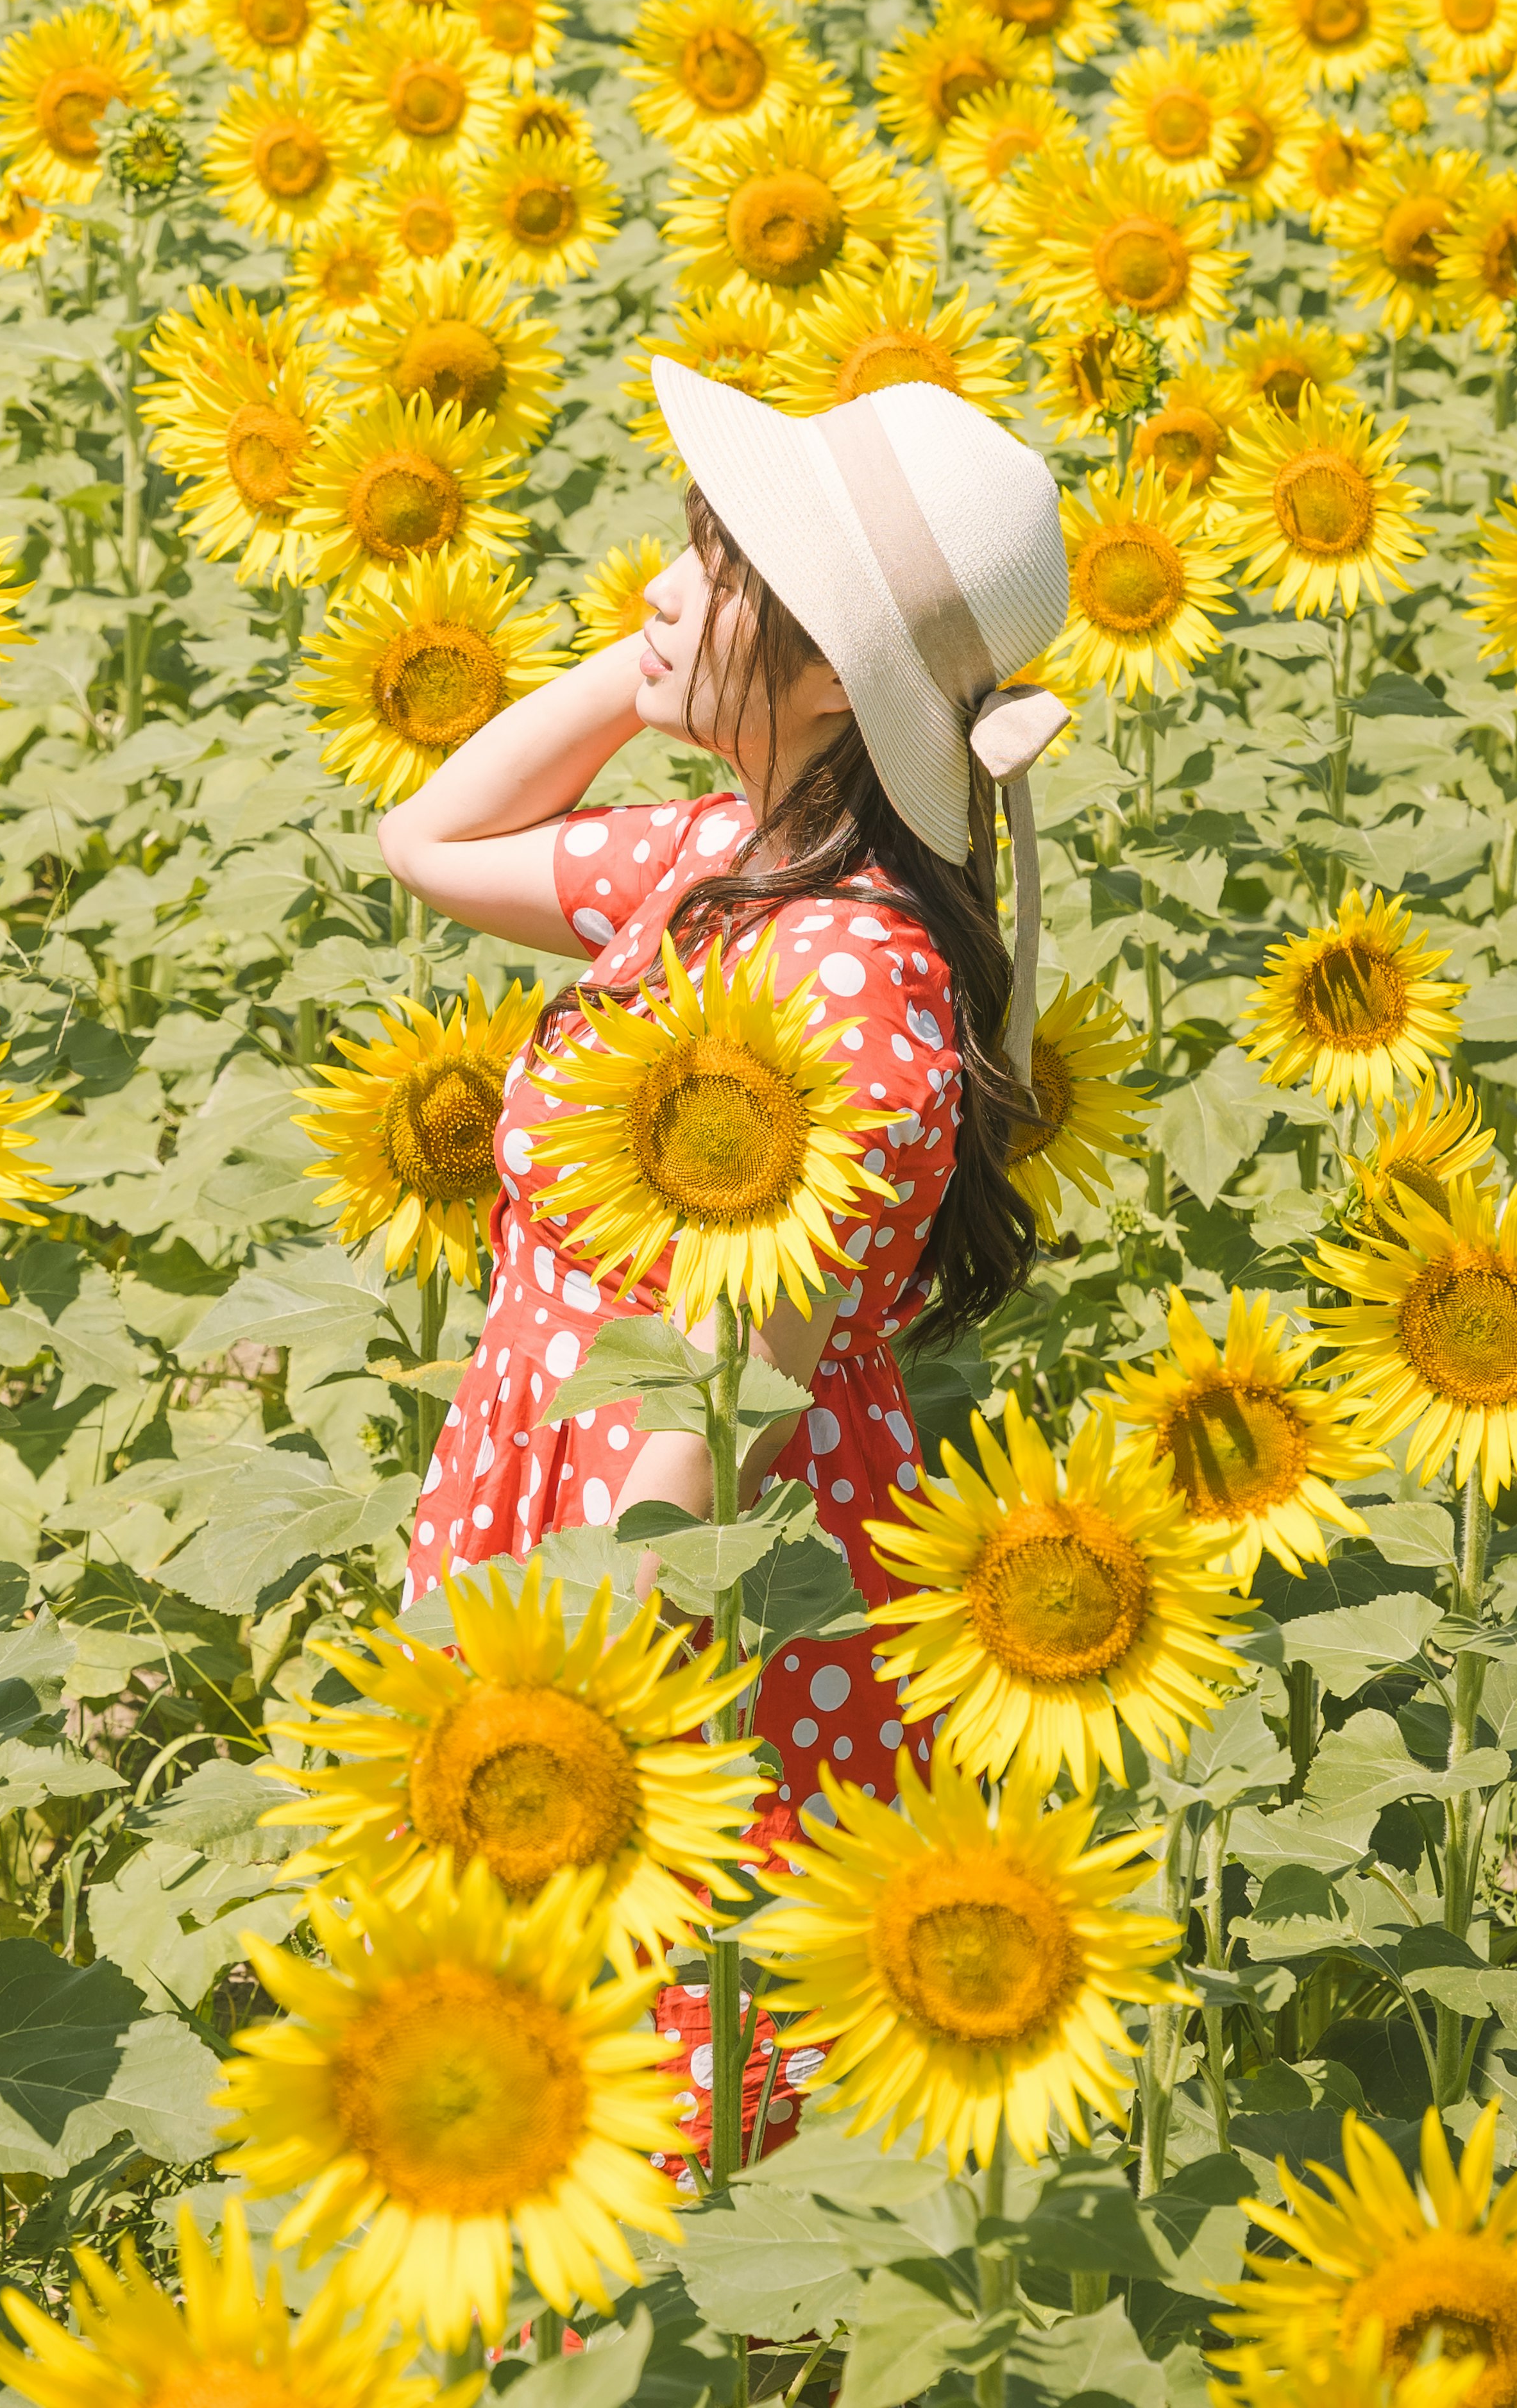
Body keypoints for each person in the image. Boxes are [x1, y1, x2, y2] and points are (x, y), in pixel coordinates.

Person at [377, 362, 1071, 2160]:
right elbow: (426, 841)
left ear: (837, 670)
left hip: (674, 1579)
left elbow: (733, 1386)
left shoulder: (844, 975)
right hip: (560, 1501)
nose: (659, 583)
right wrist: (662, 666)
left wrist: (591, 1690)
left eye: (713, 557)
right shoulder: (723, 859)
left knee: (639, 2086)